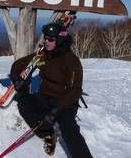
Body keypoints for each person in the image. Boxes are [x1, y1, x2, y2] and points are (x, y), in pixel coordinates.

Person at [10, 21, 92, 157]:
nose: (46, 42)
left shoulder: (71, 61)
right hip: (44, 97)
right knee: (24, 103)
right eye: (45, 38)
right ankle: (48, 134)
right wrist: (17, 79)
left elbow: (74, 91)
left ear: (60, 40)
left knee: (69, 129)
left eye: (50, 39)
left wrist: (55, 112)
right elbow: (18, 65)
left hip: (64, 103)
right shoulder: (44, 55)